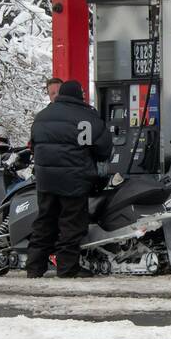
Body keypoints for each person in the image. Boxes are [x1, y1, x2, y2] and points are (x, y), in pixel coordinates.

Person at [27, 79, 111, 278]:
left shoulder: (42, 116)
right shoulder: (87, 117)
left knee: (44, 222)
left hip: (46, 180)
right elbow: (104, 148)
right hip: (74, 180)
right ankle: (67, 269)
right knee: (71, 225)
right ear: (79, 95)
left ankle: (34, 268)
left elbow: (33, 146)